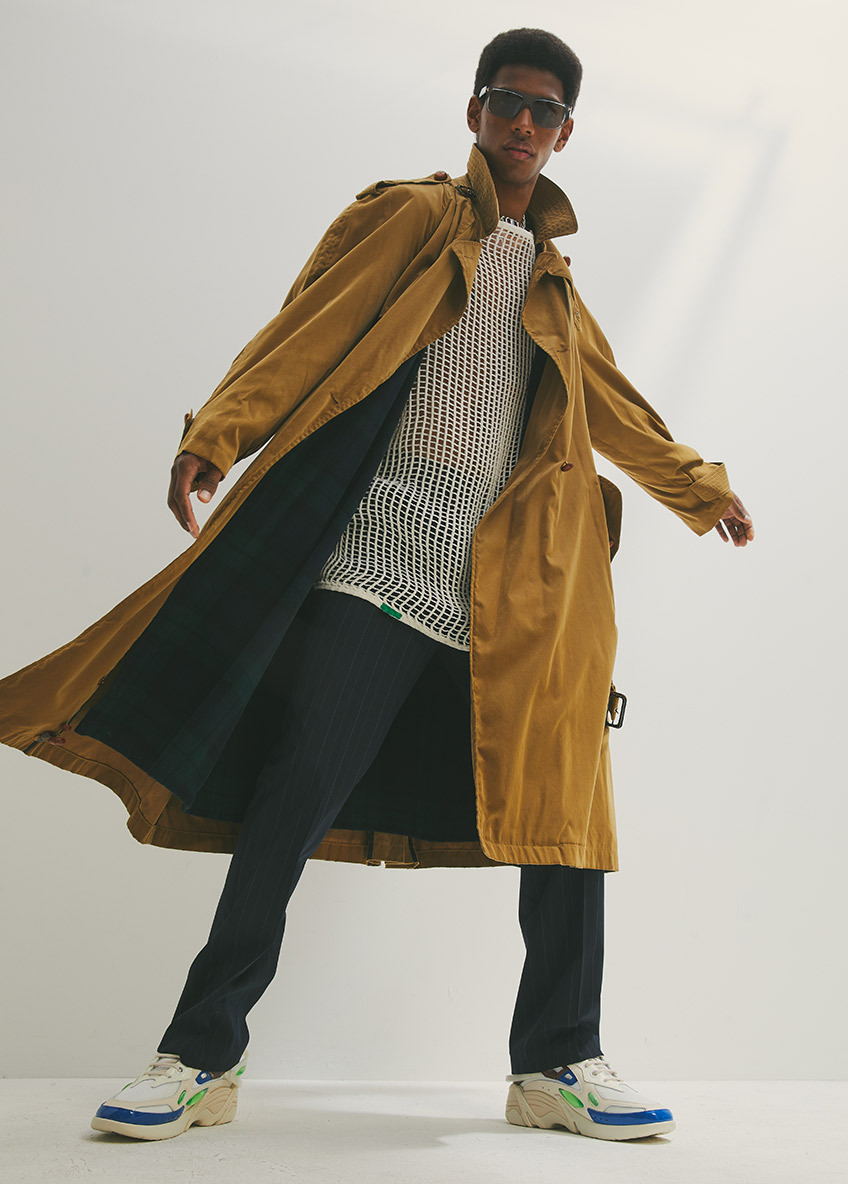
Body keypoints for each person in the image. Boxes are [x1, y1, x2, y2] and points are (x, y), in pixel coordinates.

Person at [0, 27, 754, 1144]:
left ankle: (555, 1061)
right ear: (474, 111)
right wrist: (220, 431)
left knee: (563, 809)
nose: (522, 123)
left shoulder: (555, 285)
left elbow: (612, 403)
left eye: (544, 111)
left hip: (511, 586)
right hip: (380, 561)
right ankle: (200, 1054)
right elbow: (306, 327)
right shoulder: (414, 217)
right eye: (505, 101)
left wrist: (698, 489)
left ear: (564, 135)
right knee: (298, 784)